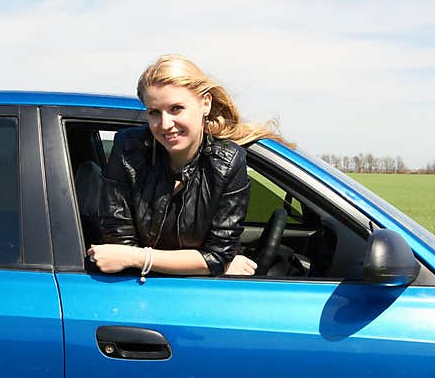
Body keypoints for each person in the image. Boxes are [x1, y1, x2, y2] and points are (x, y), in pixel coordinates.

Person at [87, 54, 289, 279]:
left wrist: (139, 258)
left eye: (176, 109)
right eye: (154, 112)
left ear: (205, 104)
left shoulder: (229, 162)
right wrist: (204, 265)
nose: (165, 124)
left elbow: (217, 256)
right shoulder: (128, 150)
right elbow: (120, 246)